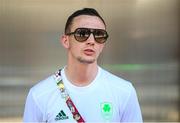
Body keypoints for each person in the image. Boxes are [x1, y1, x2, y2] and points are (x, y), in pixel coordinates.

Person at [23, 8, 143, 122]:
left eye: (99, 35)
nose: (91, 41)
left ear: (103, 45)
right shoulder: (39, 95)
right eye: (82, 34)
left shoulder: (124, 92)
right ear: (65, 41)